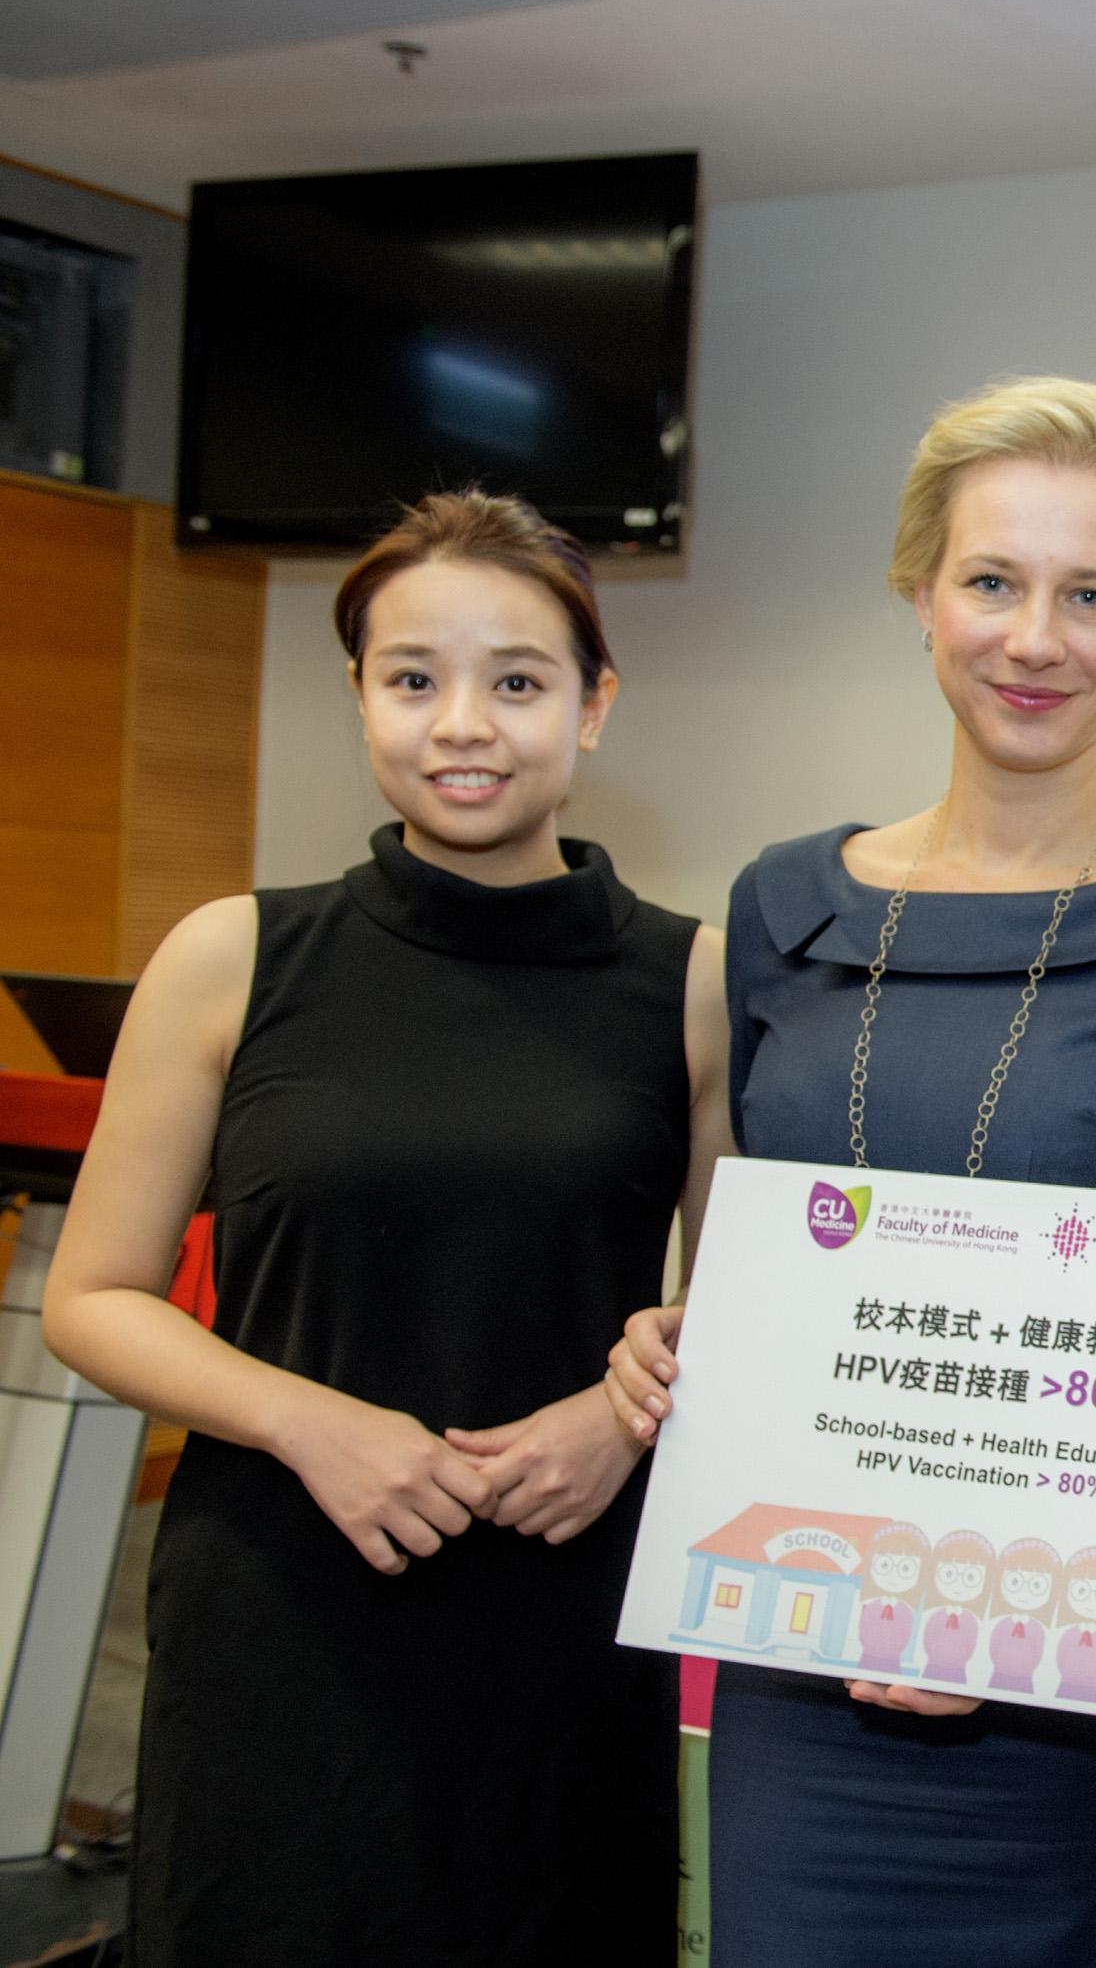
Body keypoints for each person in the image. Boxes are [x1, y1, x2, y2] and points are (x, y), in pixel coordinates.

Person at [601, 376, 1096, 1967]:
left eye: (1092, 594)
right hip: (805, 1689)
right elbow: (753, 1252)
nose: (1035, 636)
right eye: (993, 581)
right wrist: (685, 1341)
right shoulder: (783, 906)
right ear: (917, 592)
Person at [41, 490, 728, 1965]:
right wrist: (311, 1423)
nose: (462, 722)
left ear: (595, 705)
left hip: (563, 1613)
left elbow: (748, 1304)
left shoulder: (695, 979)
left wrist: (619, 1421)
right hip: (281, 1612)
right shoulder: (233, 955)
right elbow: (92, 1294)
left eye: (519, 680)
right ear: (357, 691)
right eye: (413, 678)